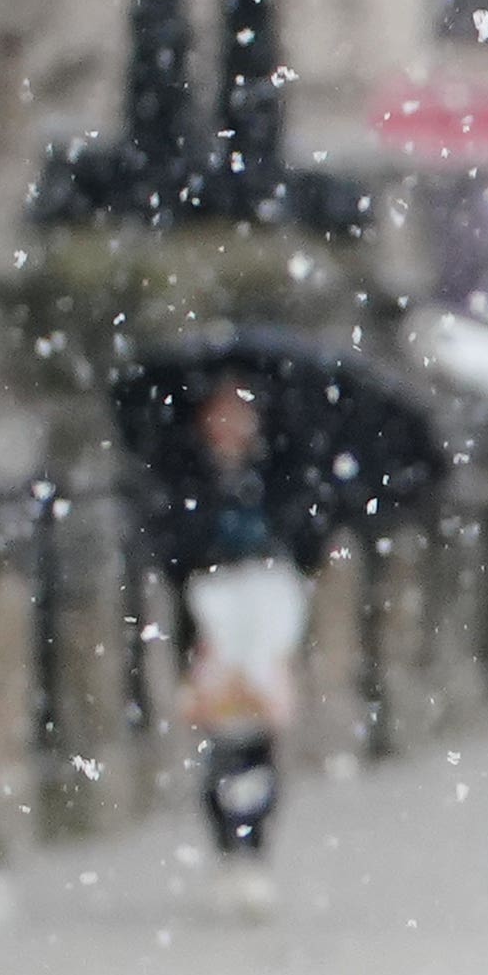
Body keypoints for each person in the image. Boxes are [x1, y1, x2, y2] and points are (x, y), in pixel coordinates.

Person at [163, 377, 311, 911]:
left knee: (260, 739)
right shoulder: (186, 477)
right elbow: (173, 542)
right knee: (221, 739)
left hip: (264, 613)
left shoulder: (275, 474)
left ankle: (254, 845)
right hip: (212, 617)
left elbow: (300, 532)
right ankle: (230, 842)